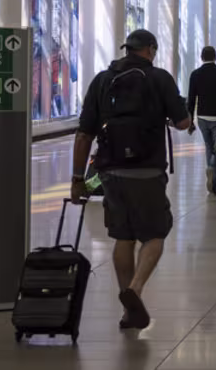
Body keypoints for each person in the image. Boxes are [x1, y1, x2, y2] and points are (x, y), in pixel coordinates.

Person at [70, 29, 191, 330]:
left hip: (109, 171)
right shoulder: (160, 78)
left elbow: (84, 133)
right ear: (151, 49)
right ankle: (134, 290)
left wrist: (77, 179)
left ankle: (129, 312)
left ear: (127, 49)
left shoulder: (101, 80)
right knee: (155, 235)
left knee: (123, 236)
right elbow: (183, 123)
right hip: (148, 170)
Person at [186, 46, 216, 185]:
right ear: (215, 57)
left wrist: (190, 120)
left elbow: (191, 98)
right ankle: (214, 171)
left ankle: (211, 170)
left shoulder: (195, 74)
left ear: (201, 57)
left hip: (202, 117)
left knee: (208, 146)